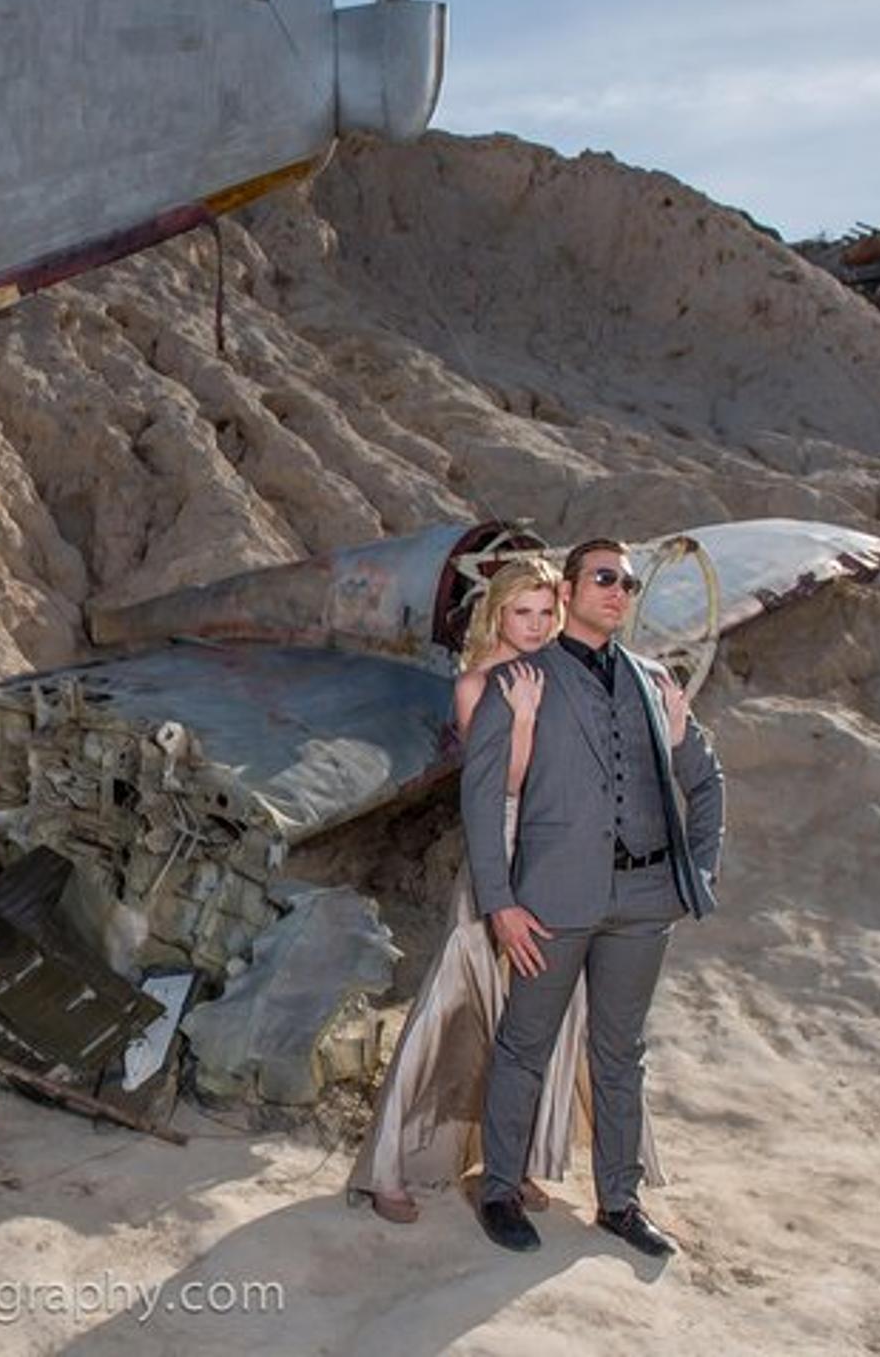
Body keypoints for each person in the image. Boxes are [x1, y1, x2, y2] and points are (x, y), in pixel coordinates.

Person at [348, 557, 670, 1223]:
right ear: (497, 613)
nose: (536, 626)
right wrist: (523, 718)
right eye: (522, 613)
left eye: (547, 613)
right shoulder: (478, 684)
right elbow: (505, 784)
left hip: (555, 860)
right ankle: (390, 1168)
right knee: (455, 998)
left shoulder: (555, 673)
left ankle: (510, 1162)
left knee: (537, 1013)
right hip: (500, 851)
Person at [465, 539, 724, 1258]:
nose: (618, 591)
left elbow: (706, 780)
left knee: (621, 1053)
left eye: (629, 583)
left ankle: (620, 1201)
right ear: (569, 590)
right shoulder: (518, 680)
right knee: (525, 1045)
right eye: (605, 577)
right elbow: (481, 800)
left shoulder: (654, 680)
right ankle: (500, 1190)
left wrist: (694, 874)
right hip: (549, 902)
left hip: (644, 901)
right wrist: (500, 903)